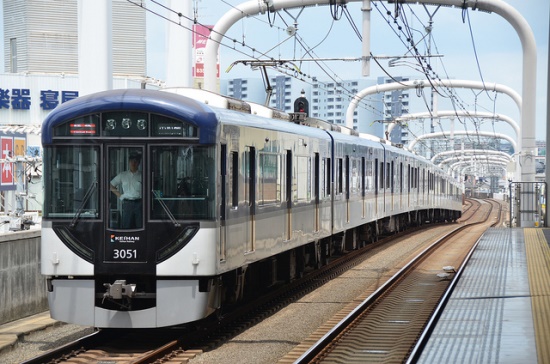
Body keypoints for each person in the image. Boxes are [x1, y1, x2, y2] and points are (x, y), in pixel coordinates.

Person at [110, 153, 142, 228]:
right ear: (129, 162)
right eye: (131, 161)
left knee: (140, 226)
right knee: (126, 226)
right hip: (127, 203)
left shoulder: (143, 175)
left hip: (140, 204)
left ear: (139, 163)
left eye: (135, 161)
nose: (133, 163)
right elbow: (111, 185)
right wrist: (120, 196)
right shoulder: (123, 175)